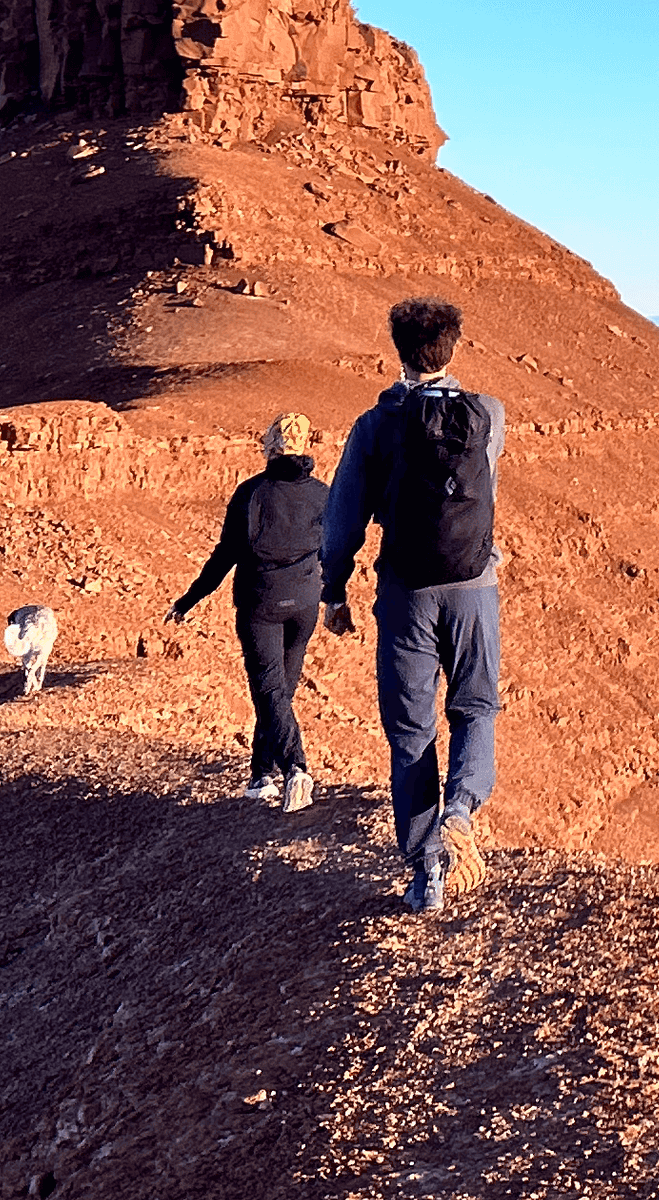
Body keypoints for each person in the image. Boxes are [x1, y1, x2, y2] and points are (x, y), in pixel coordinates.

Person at [322, 297, 505, 912]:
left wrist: (333, 589)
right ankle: (461, 808)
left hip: (405, 593)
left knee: (410, 731)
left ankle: (428, 868)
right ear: (452, 349)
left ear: (398, 350)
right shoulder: (488, 414)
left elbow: (344, 515)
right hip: (473, 586)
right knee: (476, 705)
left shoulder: (377, 424)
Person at [169, 411, 331, 809]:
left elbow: (226, 554)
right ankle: (261, 774)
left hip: (261, 605)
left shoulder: (251, 493)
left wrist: (190, 598)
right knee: (279, 691)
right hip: (305, 605)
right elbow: (335, 547)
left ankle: (296, 768)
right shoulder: (324, 494)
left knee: (270, 689)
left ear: (269, 445)